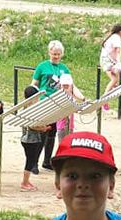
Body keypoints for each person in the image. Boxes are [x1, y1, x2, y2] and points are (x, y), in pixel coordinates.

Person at [31, 40, 71, 171]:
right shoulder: (42, 66)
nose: (56, 56)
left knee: (52, 133)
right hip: (44, 102)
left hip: (57, 103)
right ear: (49, 52)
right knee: (42, 132)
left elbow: (70, 85)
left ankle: (47, 161)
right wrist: (33, 99)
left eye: (59, 54)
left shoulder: (64, 69)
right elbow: (34, 84)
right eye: (54, 54)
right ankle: (34, 163)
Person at [20, 85, 48, 192]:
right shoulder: (30, 109)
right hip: (30, 140)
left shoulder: (26, 107)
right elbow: (32, 125)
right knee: (30, 161)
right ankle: (24, 182)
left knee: (31, 160)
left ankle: (26, 181)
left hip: (28, 139)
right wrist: (42, 128)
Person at [99, 23, 121, 110]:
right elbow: (118, 51)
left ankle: (115, 85)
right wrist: (119, 63)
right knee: (114, 78)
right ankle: (104, 99)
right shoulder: (116, 38)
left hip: (108, 61)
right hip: (107, 61)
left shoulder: (112, 37)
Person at [56, 73, 85, 142]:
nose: (66, 88)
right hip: (62, 126)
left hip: (70, 126)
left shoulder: (71, 97)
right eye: (64, 86)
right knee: (62, 143)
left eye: (67, 86)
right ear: (60, 86)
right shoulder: (59, 96)